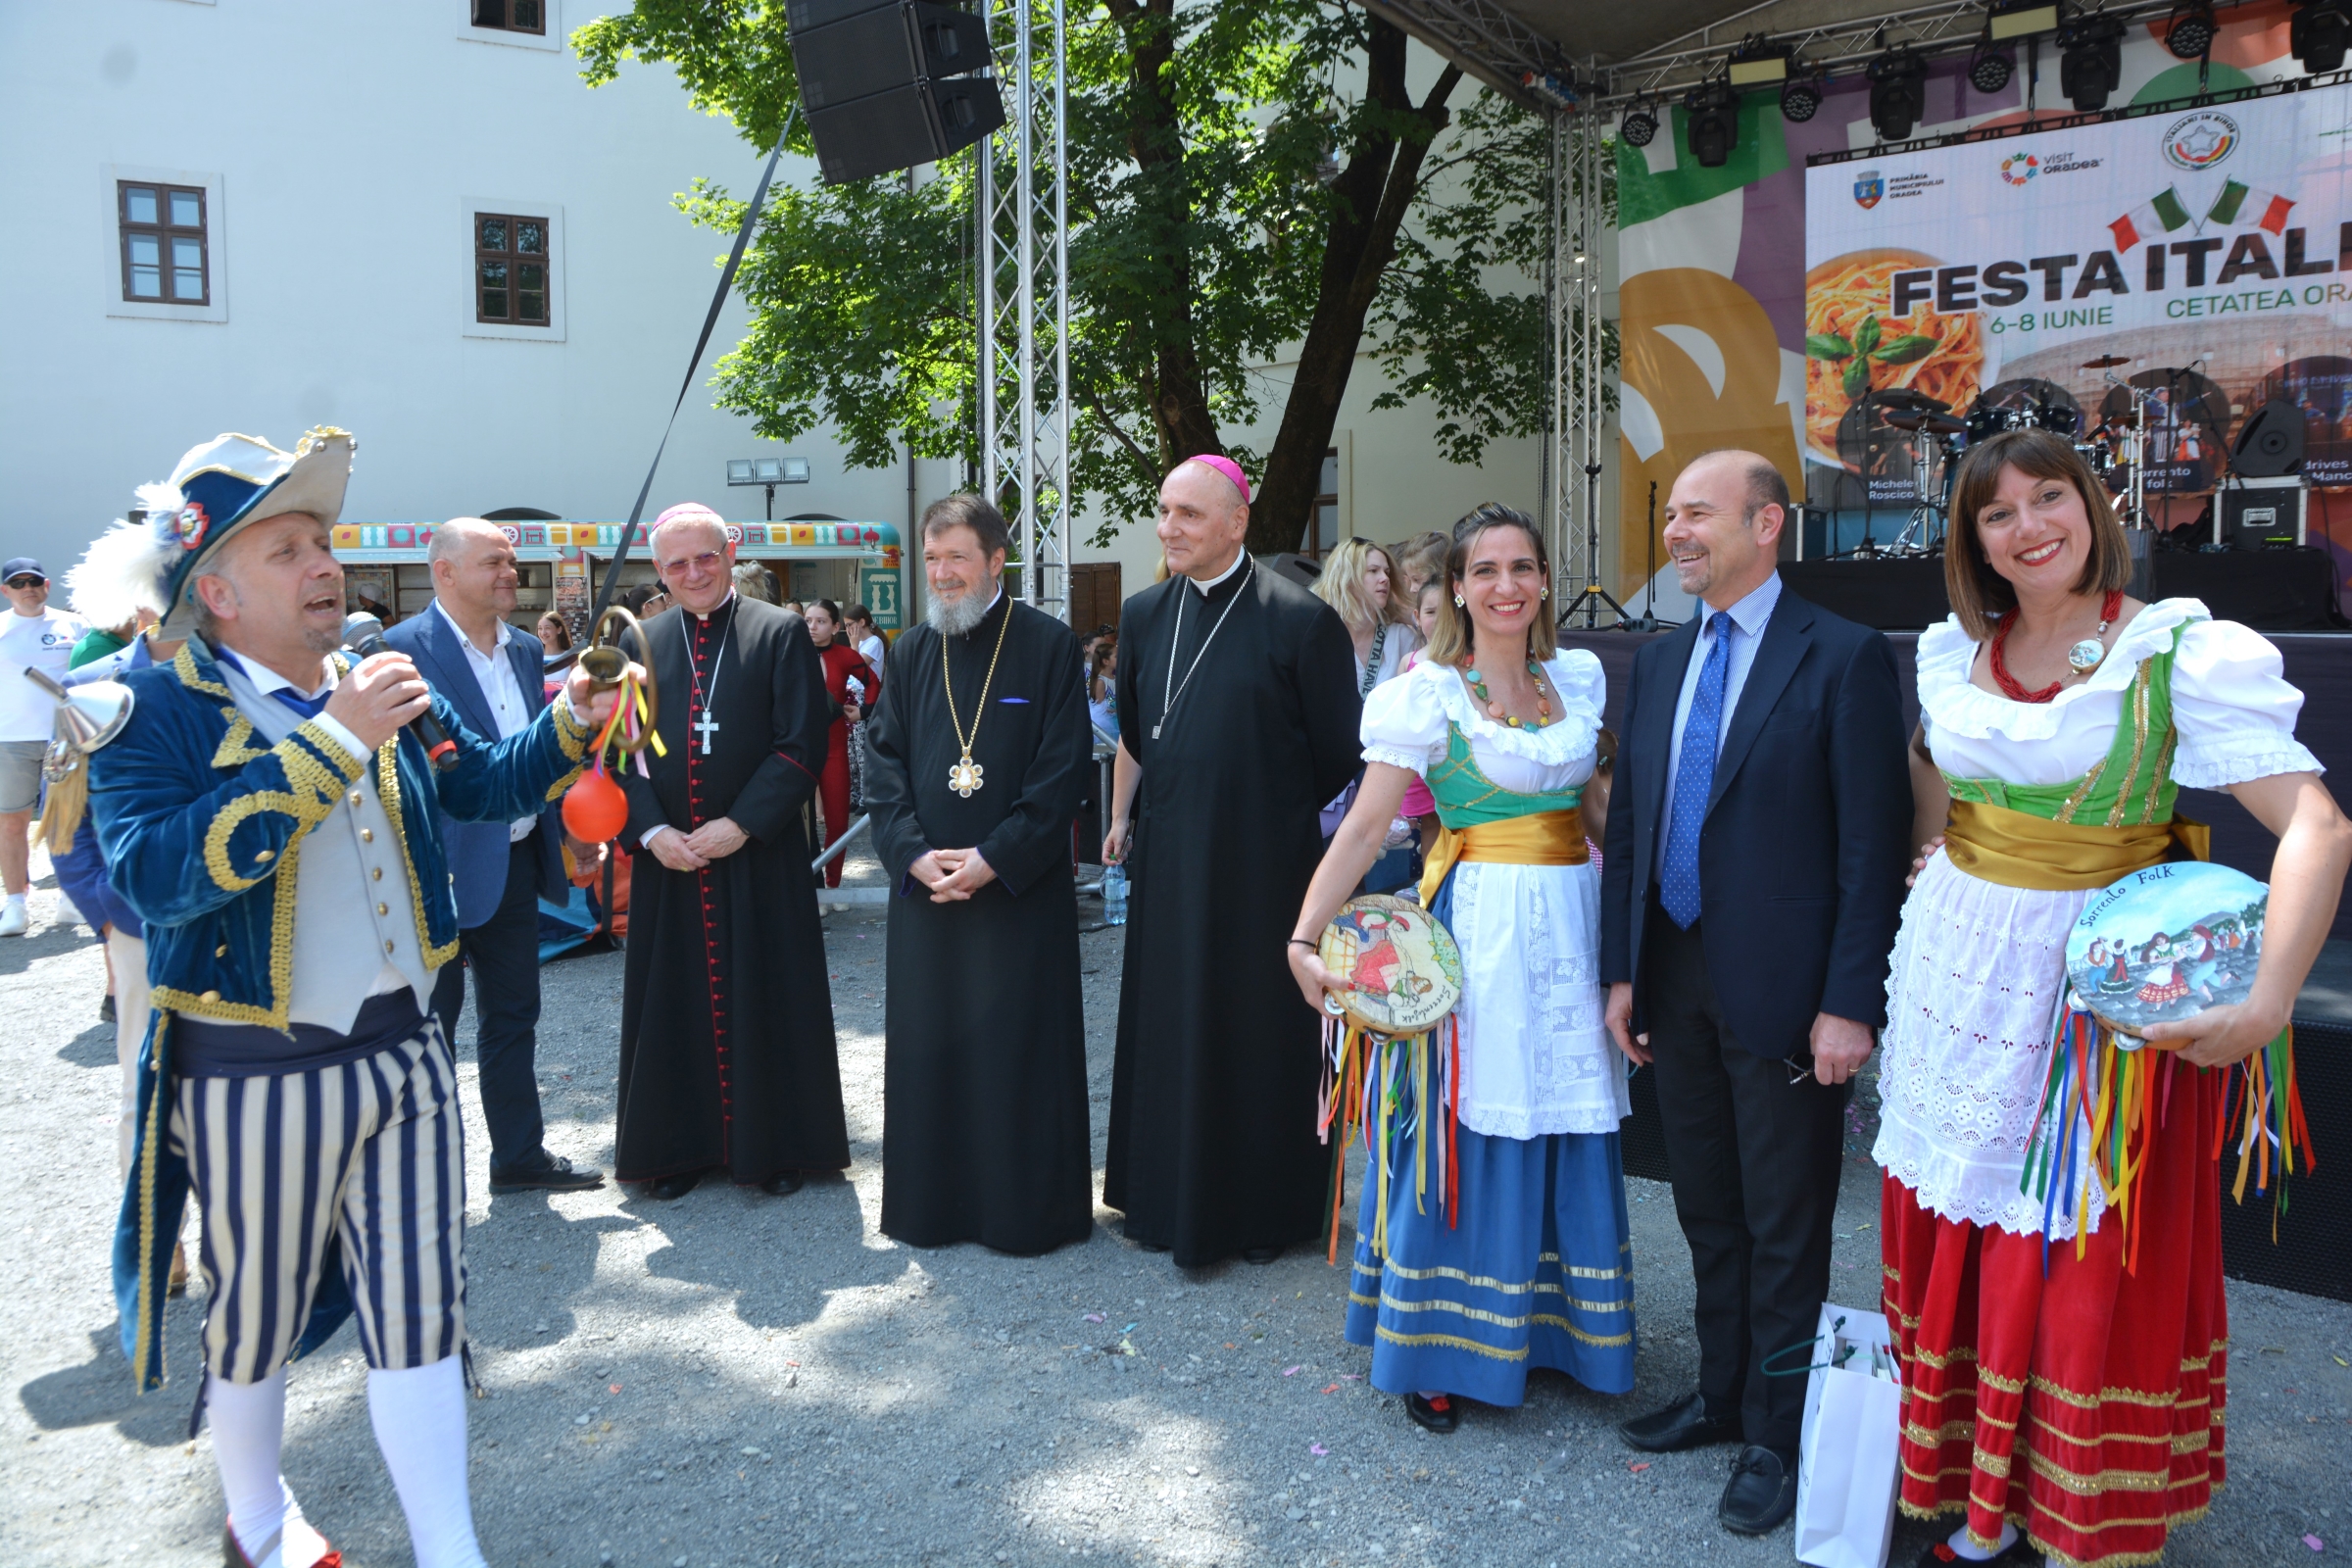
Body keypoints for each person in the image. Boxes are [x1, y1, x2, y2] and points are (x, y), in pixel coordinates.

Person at [88, 427, 621, 1568]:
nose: (325, 564)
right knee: (256, 1326)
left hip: (407, 1057)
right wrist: (332, 743)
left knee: (426, 1313)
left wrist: (574, 714)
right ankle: (264, 1525)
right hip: (249, 1071)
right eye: (288, 549)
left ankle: (450, 1548)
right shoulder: (154, 705)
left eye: (322, 541)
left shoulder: (373, 679)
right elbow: (156, 877)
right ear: (216, 591)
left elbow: (484, 780)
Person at [1876, 428, 2352, 1568]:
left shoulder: (2170, 649)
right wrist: (1939, 853)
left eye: (2051, 498)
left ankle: (2070, 1511)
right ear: (1972, 541)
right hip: (1961, 973)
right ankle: (1978, 1502)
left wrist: (2268, 999)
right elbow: (1933, 764)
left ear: (2094, 507)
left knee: (2067, 1245)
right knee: (1963, 1226)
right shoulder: (1959, 650)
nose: (2030, 526)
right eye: (1999, 513)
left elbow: (2319, 830)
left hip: (2094, 997)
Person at [1599, 449, 1910, 1537]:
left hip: (1788, 994)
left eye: (1698, 514)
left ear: (1768, 523)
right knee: (1707, 1208)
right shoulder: (1662, 655)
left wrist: (1850, 1001)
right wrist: (1622, 971)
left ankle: (1781, 1432)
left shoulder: (1848, 656)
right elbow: (1633, 825)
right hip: (1673, 979)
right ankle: (1722, 1392)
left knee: (1786, 1224)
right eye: (1671, 515)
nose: (1676, 531)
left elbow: (1873, 848)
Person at [1289, 505, 1633, 1435]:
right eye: (1485, 571)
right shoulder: (1429, 693)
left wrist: (1652, 930)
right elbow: (1366, 827)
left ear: (1546, 580)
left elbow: (1601, 818)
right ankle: (1436, 1345)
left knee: (1563, 1109)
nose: (1507, 586)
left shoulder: (1577, 681)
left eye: (1523, 567)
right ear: (1457, 589)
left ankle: (1553, 1334)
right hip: (1477, 926)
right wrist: (1303, 937)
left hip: (1569, 922)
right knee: (1469, 1115)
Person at [1102, 455, 1362, 1266]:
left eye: (1187, 514)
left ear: (1237, 522)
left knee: (1255, 1034)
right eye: (1164, 511)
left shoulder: (1298, 619)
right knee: (1174, 1024)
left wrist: (1259, 808)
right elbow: (1142, 733)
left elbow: (1336, 752)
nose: (1167, 528)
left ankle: (1263, 1213)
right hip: (1174, 860)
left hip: (1263, 868)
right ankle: (1164, 1198)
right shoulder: (1144, 614)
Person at [862, 495, 1095, 1254]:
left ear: (997, 561)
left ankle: (1024, 1216)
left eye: (956, 557)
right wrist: (910, 853)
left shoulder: (1050, 646)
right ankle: (935, 1211)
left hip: (1016, 893)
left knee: (1018, 1051)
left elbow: (1060, 775)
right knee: (933, 1050)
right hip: (928, 887)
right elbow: (884, 763)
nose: (942, 574)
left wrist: (996, 857)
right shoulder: (908, 651)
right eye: (932, 560)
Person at [613, 504, 850, 1200]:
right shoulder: (643, 643)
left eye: (705, 557)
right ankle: (676, 1148)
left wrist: (741, 824)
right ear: (659, 571)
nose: (693, 573)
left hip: (757, 855)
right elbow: (622, 752)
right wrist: (654, 833)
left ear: (731, 550)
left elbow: (800, 741)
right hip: (672, 861)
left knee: (768, 993)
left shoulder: (779, 634)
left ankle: (776, 1145)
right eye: (677, 564)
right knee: (674, 999)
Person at [386, 519, 604, 1196]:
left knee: (513, 1016)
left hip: (513, 863)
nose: (511, 573)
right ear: (443, 572)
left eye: (512, 562)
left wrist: (568, 831)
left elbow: (529, 755)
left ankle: (518, 1158)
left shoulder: (521, 650)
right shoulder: (397, 652)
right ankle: (420, 1177)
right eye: (494, 563)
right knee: (431, 1032)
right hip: (436, 875)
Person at [0, 556, 87, 936]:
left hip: (65, 739)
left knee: (64, 820)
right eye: (17, 584)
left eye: (33, 581)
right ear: (6, 591)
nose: (27, 589)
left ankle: (71, 898)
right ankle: (15, 904)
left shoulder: (76, 625)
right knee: (11, 823)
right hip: (10, 740)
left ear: (47, 586)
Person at [805, 598, 869, 888]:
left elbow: (877, 684)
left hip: (834, 751)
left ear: (835, 626)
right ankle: (808, 886)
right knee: (801, 827)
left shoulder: (845, 656)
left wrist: (864, 711)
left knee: (839, 822)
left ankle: (832, 884)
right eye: (808, 621)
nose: (813, 627)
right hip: (798, 752)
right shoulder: (790, 654)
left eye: (820, 621)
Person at [1312, 537, 1418, 698]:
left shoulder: (1402, 637)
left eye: (1387, 572)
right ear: (1347, 579)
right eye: (1373, 571)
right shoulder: (1321, 636)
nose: (1385, 578)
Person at [845, 602, 887, 685]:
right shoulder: (859, 643)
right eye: (846, 626)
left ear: (862, 622)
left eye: (849, 625)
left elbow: (856, 668)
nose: (848, 629)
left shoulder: (874, 642)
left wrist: (854, 645)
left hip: (867, 693)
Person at [1087, 639, 1118, 740]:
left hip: (1119, 718)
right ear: (1106, 661)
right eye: (1116, 656)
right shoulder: (1101, 682)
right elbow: (1101, 710)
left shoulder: (1116, 678)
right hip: (1109, 723)